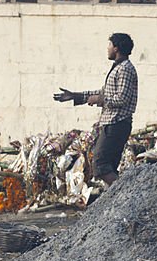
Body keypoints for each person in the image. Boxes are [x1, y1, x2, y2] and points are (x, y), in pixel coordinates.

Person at [53, 33, 137, 187]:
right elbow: (103, 92)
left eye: (109, 45)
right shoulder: (118, 67)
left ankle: (124, 195)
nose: (107, 48)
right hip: (112, 124)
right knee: (108, 166)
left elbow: (121, 99)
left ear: (116, 48)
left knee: (100, 165)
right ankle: (118, 200)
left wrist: (99, 100)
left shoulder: (125, 69)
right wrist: (76, 96)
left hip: (116, 124)